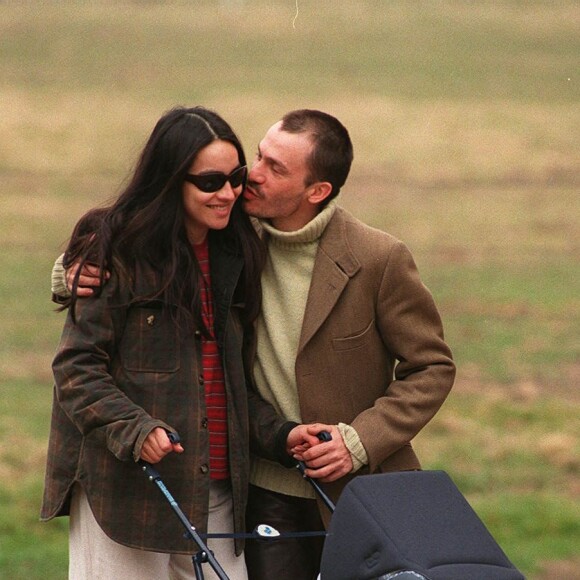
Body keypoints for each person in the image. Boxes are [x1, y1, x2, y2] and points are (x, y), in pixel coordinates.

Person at [51, 109, 456, 580]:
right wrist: (71, 274)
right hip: (242, 486)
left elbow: (431, 367)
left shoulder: (368, 257)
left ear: (317, 191)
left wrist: (358, 440)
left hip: (348, 487)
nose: (247, 182)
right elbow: (88, 345)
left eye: (269, 170)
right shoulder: (225, 236)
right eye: (257, 159)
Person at [41, 105, 270, 580]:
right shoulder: (113, 247)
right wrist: (136, 430)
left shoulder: (240, 249)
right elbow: (76, 369)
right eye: (210, 182)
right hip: (124, 492)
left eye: (237, 177)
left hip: (219, 488)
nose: (227, 193)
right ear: (170, 181)